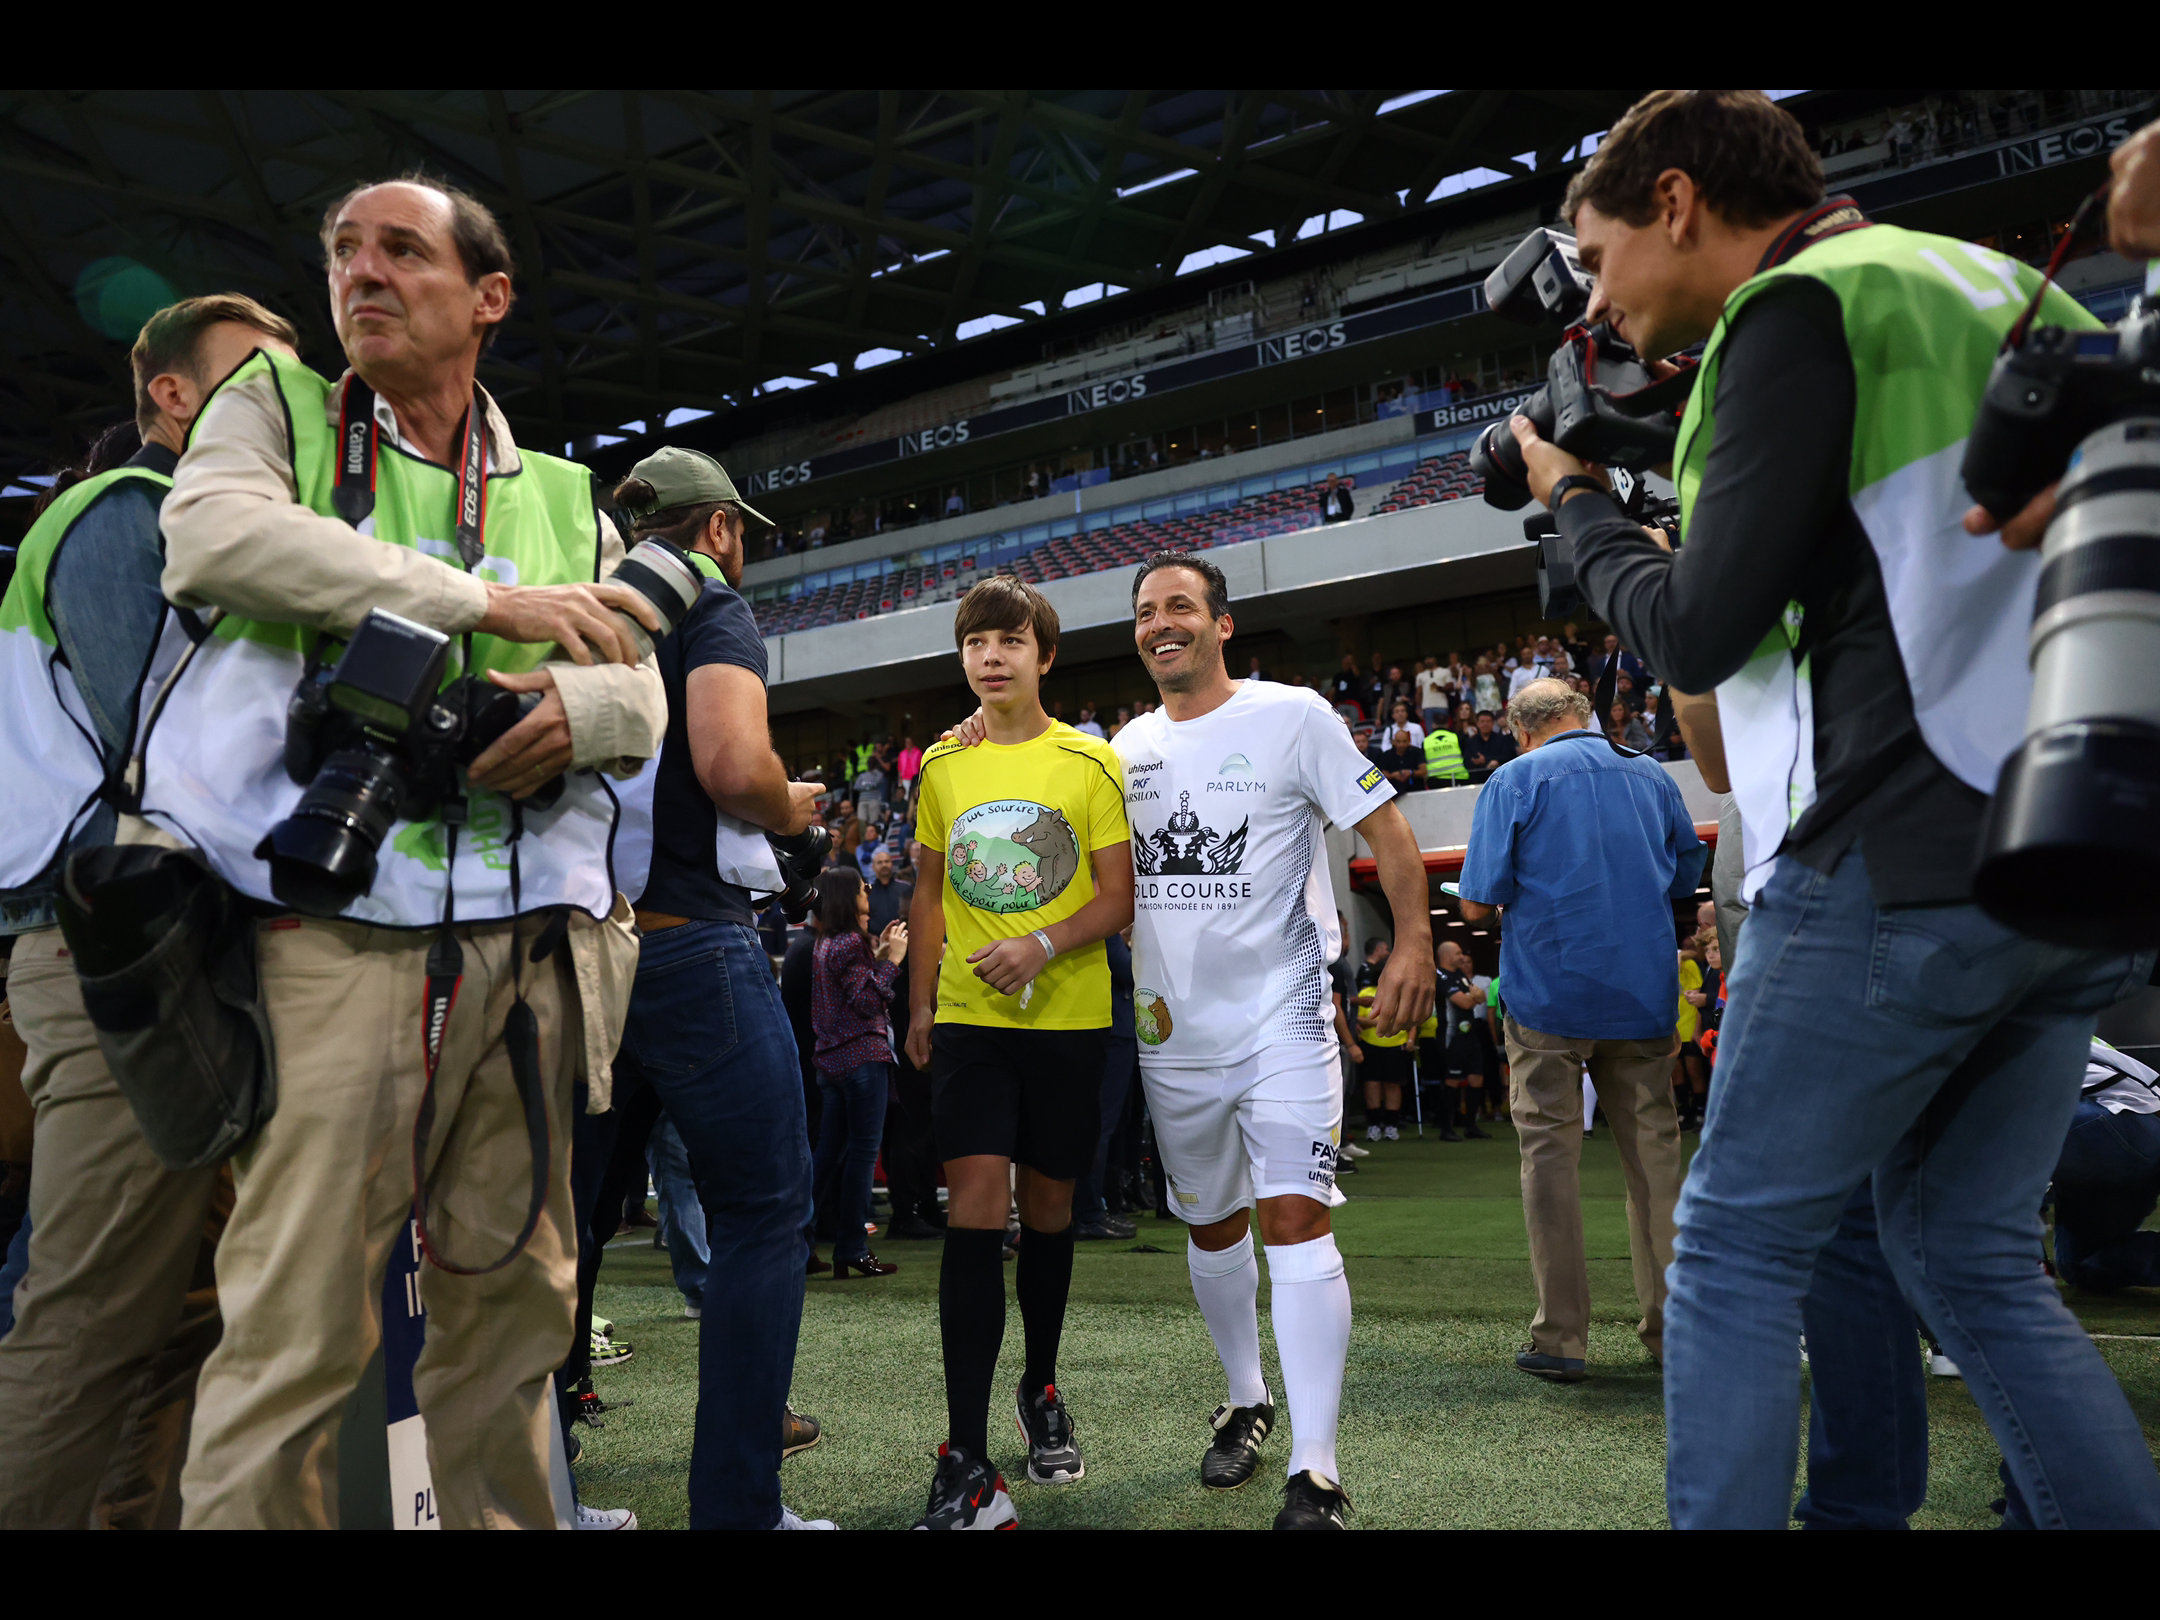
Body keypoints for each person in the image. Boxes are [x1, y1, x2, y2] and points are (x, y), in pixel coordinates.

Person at [1511, 88, 2160, 1528]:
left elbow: (1696, 633)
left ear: (1676, 202)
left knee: (1736, 1249)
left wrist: (1574, 507)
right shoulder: (1991, 278)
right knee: (1976, 1260)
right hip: (2075, 851)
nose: (1599, 297)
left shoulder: (1794, 309)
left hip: (1904, 848)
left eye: (1599, 249)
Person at [147, 177, 667, 1530]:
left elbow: (648, 696)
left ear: (488, 297)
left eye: (400, 250)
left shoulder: (561, 490)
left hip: (531, 949)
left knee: (516, 1324)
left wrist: (569, 711)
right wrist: (486, 605)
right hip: (328, 929)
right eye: (341, 252)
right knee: (296, 1327)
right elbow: (204, 539)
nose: (359, 273)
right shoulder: (280, 410)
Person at [0, 294, 300, 1530]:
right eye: (254, 384)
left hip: (157, 958)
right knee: (88, 1327)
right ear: (171, 397)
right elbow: (173, 757)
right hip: (117, 960)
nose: (287, 413)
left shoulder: (176, 521)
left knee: (181, 1322)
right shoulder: (131, 514)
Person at [1112, 552, 1433, 1527]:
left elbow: (1391, 836)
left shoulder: (1293, 716)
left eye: (1180, 607)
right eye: (1145, 613)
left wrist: (1411, 942)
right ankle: (1247, 1398)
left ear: (1222, 625)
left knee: (1296, 1217)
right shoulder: (1122, 750)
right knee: (1213, 1227)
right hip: (1171, 1036)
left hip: (1284, 1024)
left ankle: (1317, 1470)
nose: (1161, 623)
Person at [603, 445, 834, 1530]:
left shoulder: (585, 601)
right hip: (694, 941)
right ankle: (738, 1509)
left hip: (586, 952)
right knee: (762, 1215)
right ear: (719, 530)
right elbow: (734, 768)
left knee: (565, 1229)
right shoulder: (712, 603)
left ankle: (540, 1491)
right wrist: (793, 804)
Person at [903, 576, 1133, 1530]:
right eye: (975, 644)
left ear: (1044, 655)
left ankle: (1039, 1388)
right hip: (967, 1025)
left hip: (1072, 1023)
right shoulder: (942, 768)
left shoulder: (1090, 763)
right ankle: (964, 1455)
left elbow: (1118, 902)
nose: (991, 657)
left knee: (1048, 1212)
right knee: (975, 1213)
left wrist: (1042, 943)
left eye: (1009, 641)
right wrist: (917, 1005)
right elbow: (923, 896)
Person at [1457, 679, 1703, 1384]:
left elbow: (1475, 907)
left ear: (1520, 729)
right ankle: (1675, 1334)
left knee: (1550, 1163)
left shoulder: (1513, 778)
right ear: (1586, 716)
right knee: (1656, 1164)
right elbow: (1686, 872)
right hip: (1643, 995)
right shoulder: (1651, 773)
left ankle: (1562, 1338)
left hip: (1549, 997)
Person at [807, 867, 906, 1279]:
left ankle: (800, 1242)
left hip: (831, 1061)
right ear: (849, 897)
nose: (868, 892)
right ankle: (851, 1245)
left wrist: (878, 957)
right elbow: (865, 1003)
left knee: (827, 1158)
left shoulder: (825, 942)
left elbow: (849, 994)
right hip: (861, 1057)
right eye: (862, 888)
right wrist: (893, 963)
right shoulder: (849, 942)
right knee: (862, 1156)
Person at [1353, 939, 1412, 1142]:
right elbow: (1358, 1018)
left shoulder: (1400, 995)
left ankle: (1391, 1125)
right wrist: (1374, 1022)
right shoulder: (1365, 994)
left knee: (1393, 1085)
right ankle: (1374, 1125)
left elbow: (1411, 1019)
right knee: (1372, 1085)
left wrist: (1411, 1039)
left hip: (1396, 1045)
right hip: (1370, 1045)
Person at [1434, 942, 1493, 1141]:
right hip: (1452, 1037)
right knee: (1452, 1081)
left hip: (1470, 1036)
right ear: (1447, 955)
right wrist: (1472, 996)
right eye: (1458, 953)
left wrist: (1473, 996)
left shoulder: (1459, 975)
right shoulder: (1441, 976)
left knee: (1477, 1078)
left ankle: (1471, 1126)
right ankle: (1446, 1128)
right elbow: (1467, 1001)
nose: (1462, 957)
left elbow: (1481, 996)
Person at [1462, 710, 1515, 780]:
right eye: (1482, 722)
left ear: (1493, 723)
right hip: (1477, 780)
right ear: (1477, 724)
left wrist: (1486, 760)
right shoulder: (1471, 742)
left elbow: (1509, 757)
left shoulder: (1502, 739)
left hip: (1499, 779)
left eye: (1488, 721)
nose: (1485, 724)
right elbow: (1467, 761)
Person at [1423, 709, 1469, 785]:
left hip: (1435, 779)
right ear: (1447, 724)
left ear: (1433, 724)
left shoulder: (1426, 741)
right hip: (1458, 777)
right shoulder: (1455, 737)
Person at [1375, 726, 1426, 793]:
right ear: (1394, 742)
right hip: (1394, 794)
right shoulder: (1386, 755)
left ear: (1409, 741)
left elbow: (1424, 771)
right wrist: (1393, 775)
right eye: (1398, 741)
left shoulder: (1417, 752)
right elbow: (1382, 775)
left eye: (1404, 741)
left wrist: (1411, 773)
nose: (1401, 744)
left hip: (1416, 790)